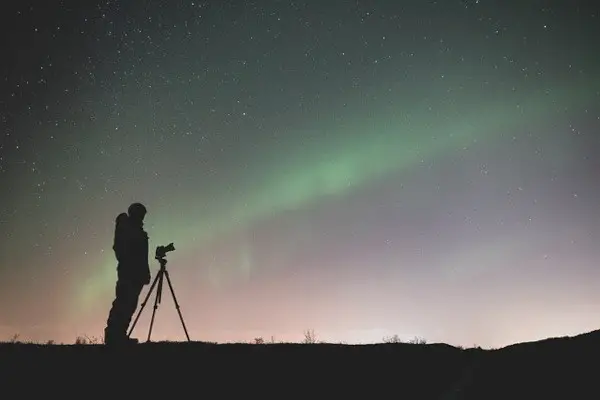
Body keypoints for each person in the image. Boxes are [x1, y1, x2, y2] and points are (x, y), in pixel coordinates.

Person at [104, 203, 152, 345]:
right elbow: (122, 249)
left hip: (136, 274)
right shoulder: (128, 228)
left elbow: (142, 255)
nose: (143, 217)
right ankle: (114, 336)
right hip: (129, 273)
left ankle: (120, 335)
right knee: (123, 302)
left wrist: (145, 272)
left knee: (130, 304)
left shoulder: (136, 230)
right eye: (141, 213)